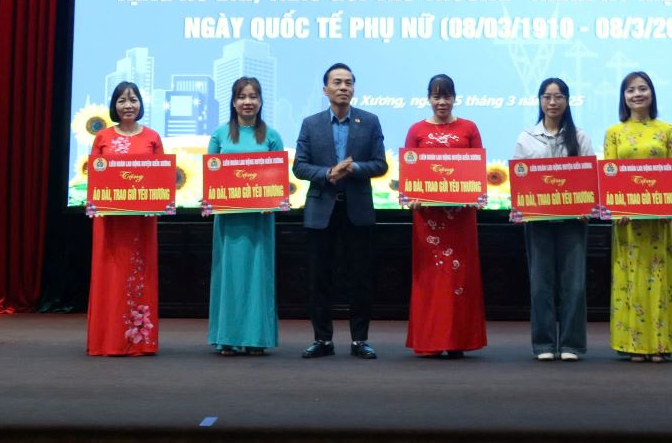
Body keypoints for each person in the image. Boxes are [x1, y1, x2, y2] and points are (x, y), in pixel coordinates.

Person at [293, 63, 388, 359]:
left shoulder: (370, 121)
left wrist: (354, 168)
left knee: (359, 278)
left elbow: (380, 164)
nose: (343, 87)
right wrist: (327, 174)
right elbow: (299, 166)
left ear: (354, 88)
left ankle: (360, 340)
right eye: (337, 82)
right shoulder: (311, 123)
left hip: (357, 211)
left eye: (348, 82)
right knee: (319, 278)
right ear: (326, 90)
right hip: (321, 212)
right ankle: (322, 339)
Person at [403, 74, 487, 358]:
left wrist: (478, 194)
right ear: (428, 98)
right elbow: (409, 175)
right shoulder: (416, 130)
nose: (442, 102)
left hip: (461, 219)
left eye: (447, 96)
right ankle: (430, 340)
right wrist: (410, 197)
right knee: (431, 279)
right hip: (428, 221)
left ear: (455, 98)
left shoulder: (469, 128)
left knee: (459, 279)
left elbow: (477, 170)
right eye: (437, 96)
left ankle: (457, 341)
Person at [603, 71, 672, 363]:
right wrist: (618, 208)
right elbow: (609, 173)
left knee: (658, 276)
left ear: (652, 93)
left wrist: (671, 206)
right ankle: (633, 344)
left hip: (659, 220)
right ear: (623, 98)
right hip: (627, 221)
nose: (637, 94)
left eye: (642, 88)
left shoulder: (667, 130)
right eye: (630, 90)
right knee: (631, 277)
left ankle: (660, 343)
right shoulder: (614, 132)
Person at [512, 77, 595, 361]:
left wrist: (588, 205)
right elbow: (520, 181)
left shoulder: (580, 137)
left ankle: (571, 344)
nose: (552, 102)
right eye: (547, 97)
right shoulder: (527, 137)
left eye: (558, 96)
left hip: (573, 222)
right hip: (539, 222)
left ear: (567, 101)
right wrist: (521, 207)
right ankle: (544, 344)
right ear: (539, 101)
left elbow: (590, 179)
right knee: (540, 283)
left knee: (574, 284)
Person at [206, 77, 284, 356]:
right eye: (242, 97)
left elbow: (279, 181)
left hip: (259, 220)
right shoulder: (219, 135)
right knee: (229, 275)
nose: (247, 102)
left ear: (261, 101)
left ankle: (256, 338)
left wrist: (273, 200)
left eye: (253, 96)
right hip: (229, 220)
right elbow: (211, 179)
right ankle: (226, 337)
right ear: (233, 101)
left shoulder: (272, 136)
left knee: (257, 276)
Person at [86, 81, 165, 356]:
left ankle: (139, 342)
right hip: (110, 221)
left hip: (141, 223)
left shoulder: (153, 137)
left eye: (133, 99)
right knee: (110, 275)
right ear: (114, 106)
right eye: (121, 100)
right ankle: (107, 340)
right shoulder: (102, 137)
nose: (128, 105)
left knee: (138, 275)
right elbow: (94, 177)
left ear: (141, 104)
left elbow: (160, 180)